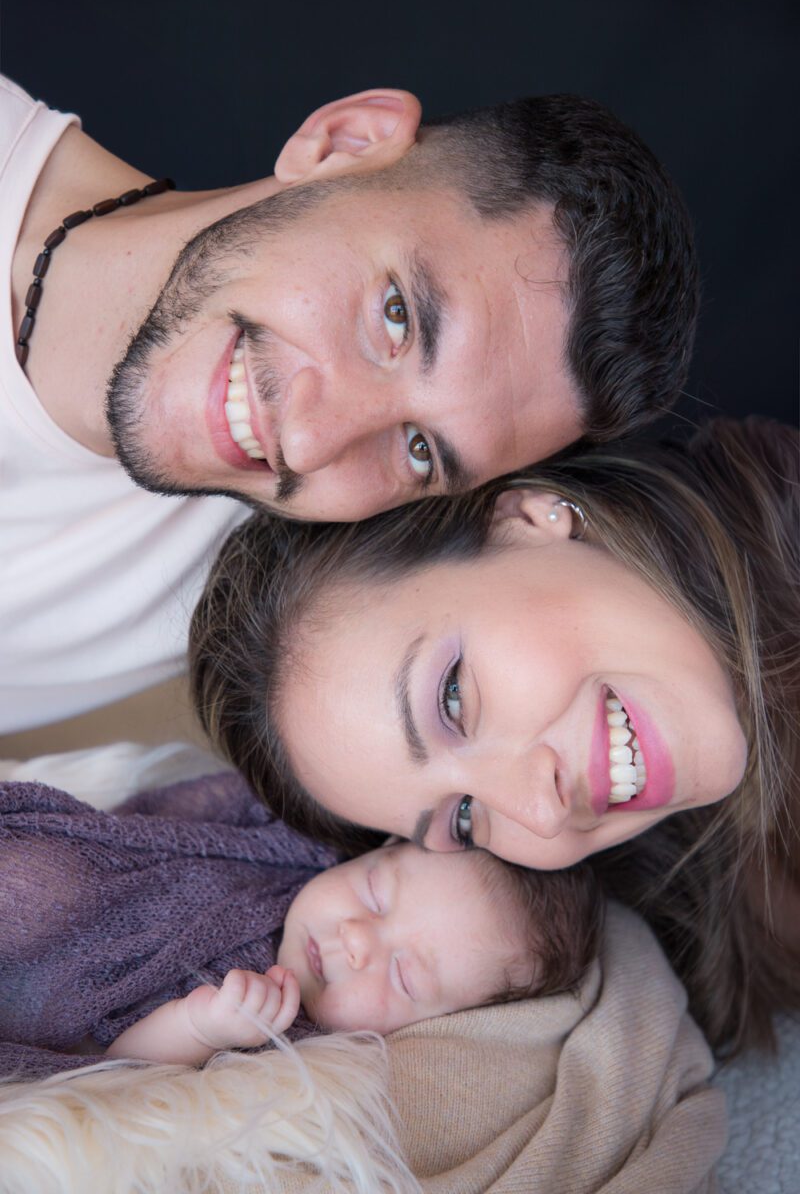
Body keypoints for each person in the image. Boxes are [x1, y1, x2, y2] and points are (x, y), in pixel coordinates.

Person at [1, 72, 698, 731]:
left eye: (419, 449)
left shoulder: (270, 584)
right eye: (396, 318)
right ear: (344, 142)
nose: (307, 443)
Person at [190, 416, 799, 1055]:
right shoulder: (716, 912)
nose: (540, 812)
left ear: (529, 520)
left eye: (452, 699)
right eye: (463, 820)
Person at [0, 770, 601, 1078]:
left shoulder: (285, 1035)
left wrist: (201, 1027)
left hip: (32, 1000)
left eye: (404, 976)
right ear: (378, 846)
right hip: (67, 889)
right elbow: (154, 825)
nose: (357, 938)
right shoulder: (291, 842)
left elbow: (115, 1072)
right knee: (50, 878)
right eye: (374, 891)